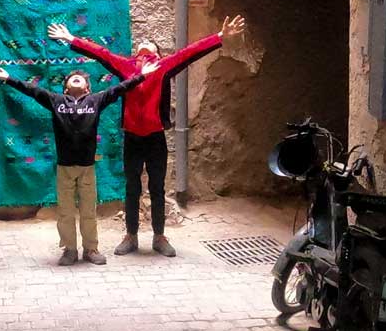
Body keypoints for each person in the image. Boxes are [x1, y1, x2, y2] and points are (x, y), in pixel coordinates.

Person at [48, 14, 246, 257]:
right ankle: (130, 235)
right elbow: (101, 53)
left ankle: (159, 236)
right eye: (142, 41)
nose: (145, 42)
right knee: (132, 187)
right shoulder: (126, 65)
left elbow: (190, 52)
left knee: (157, 187)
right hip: (132, 137)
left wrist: (219, 37)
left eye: (151, 42)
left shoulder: (164, 66)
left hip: (155, 138)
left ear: (158, 53)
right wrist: (72, 39)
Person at [0, 62, 155, 266]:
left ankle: (91, 249)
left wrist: (142, 76)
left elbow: (119, 89)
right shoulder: (56, 100)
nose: (76, 78)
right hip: (65, 168)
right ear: (66, 87)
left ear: (87, 88)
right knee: (66, 212)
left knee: (88, 211)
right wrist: (8, 78)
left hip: (87, 168)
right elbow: (32, 90)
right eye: (72, 77)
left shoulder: (96, 100)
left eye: (82, 78)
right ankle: (69, 249)